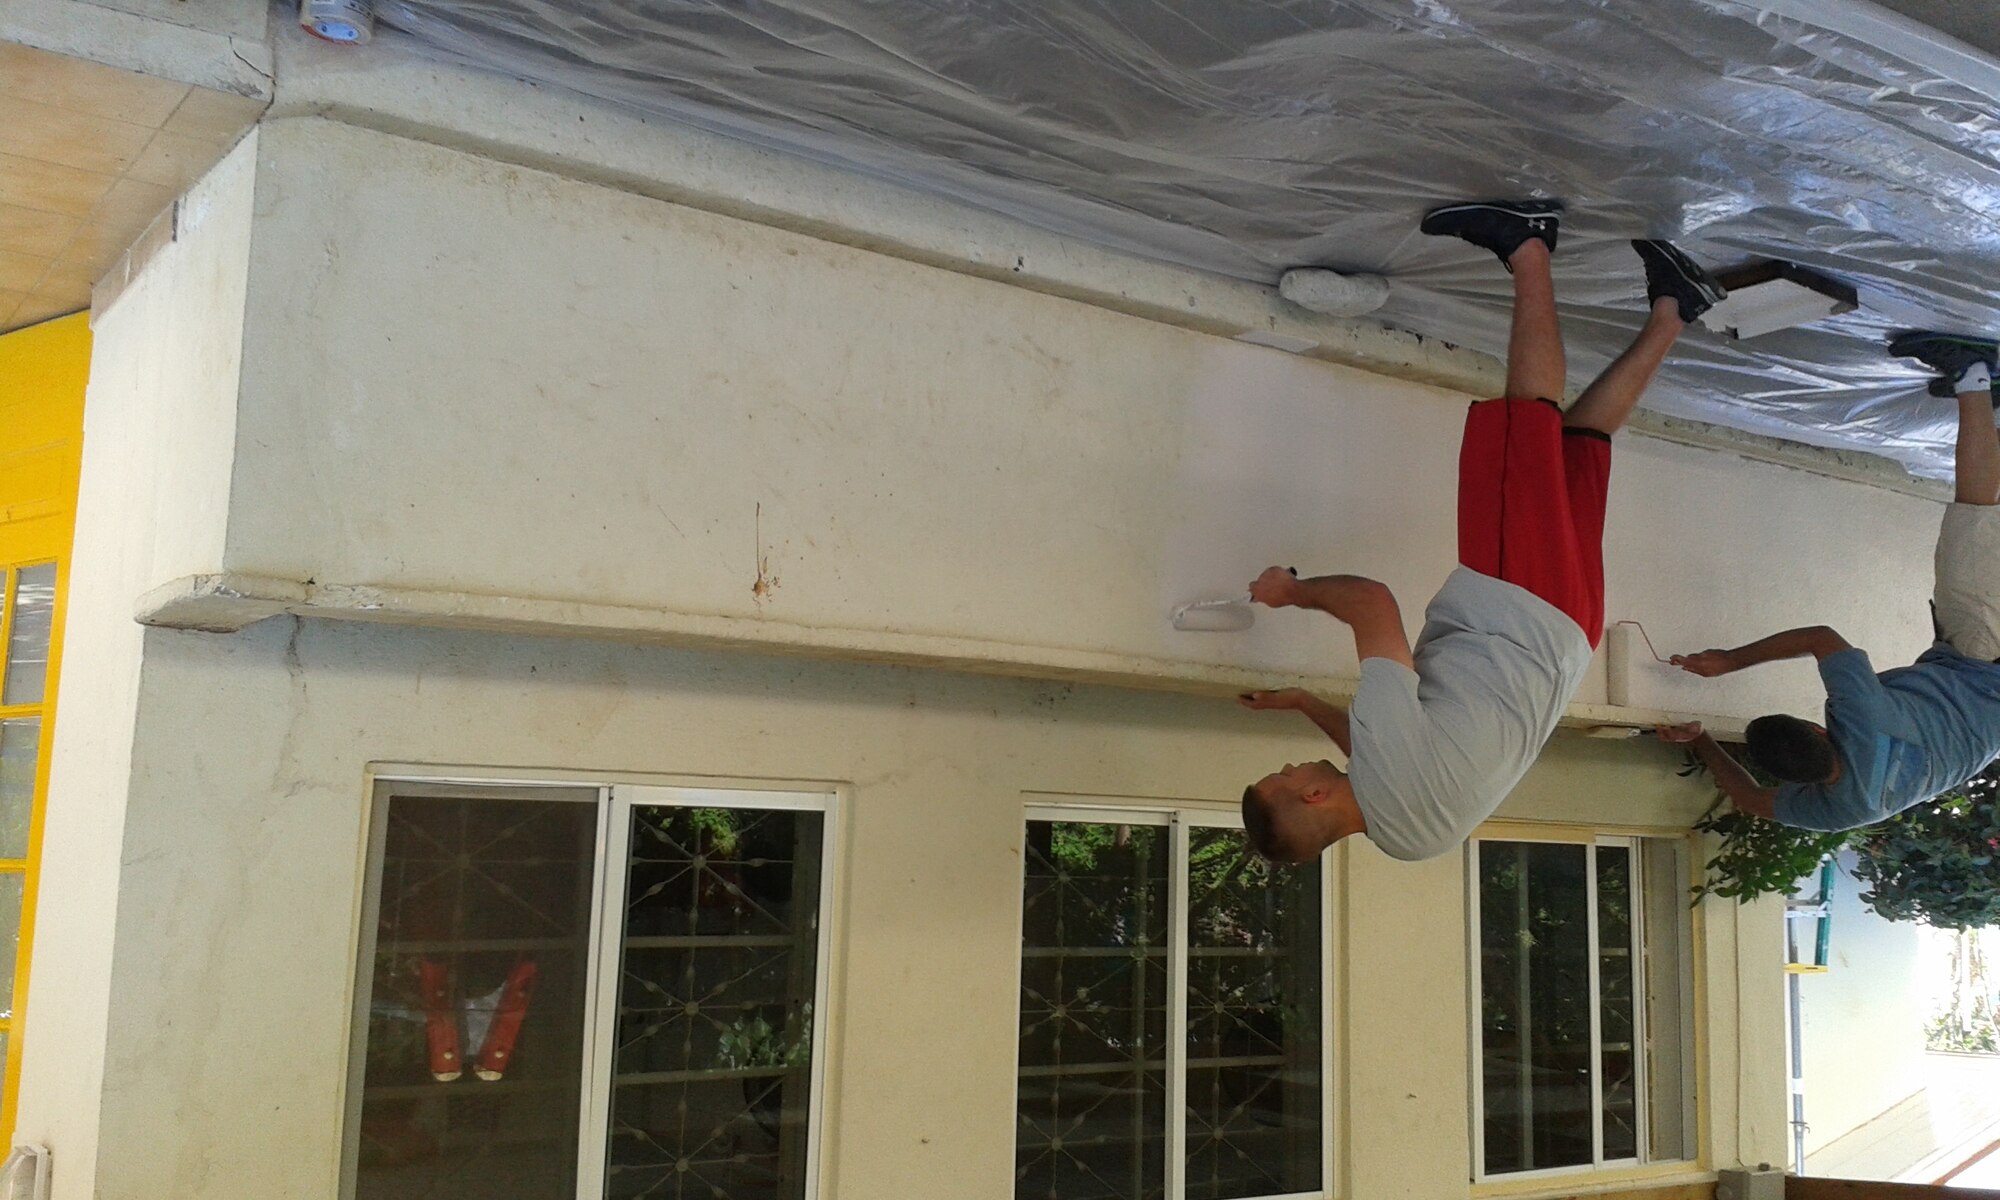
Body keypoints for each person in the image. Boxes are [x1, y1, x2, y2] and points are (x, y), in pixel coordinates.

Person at [1238, 200, 1724, 863]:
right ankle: (1529, 245)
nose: (1294, 769)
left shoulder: (1412, 838)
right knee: (1527, 420)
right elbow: (1372, 604)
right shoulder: (1385, 775)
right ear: (1311, 801)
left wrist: (1303, 702)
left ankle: (1675, 308)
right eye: (1287, 779)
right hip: (1511, 609)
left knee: (1579, 440)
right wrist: (1291, 595)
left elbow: (1385, 749)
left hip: (1565, 634)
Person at [1659, 333, 2000, 830]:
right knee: (1975, 513)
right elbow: (1820, 638)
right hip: (1982, 653)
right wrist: (1731, 661)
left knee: (1985, 531)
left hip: (1976, 679)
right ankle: (1974, 374)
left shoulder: (1846, 810)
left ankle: (1990, 405)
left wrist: (1700, 740)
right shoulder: (1858, 718)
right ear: (1818, 731)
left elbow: (1753, 800)